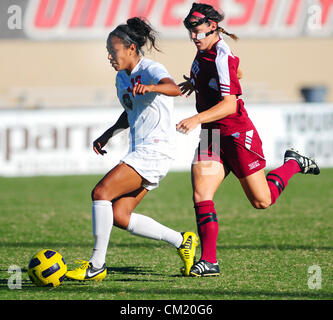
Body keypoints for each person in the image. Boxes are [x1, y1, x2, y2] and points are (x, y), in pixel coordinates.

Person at [176, 3, 320, 277]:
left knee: (261, 201)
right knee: (201, 193)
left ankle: (293, 163)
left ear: (213, 27)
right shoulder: (204, 52)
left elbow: (230, 105)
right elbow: (235, 75)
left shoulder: (221, 55)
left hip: (236, 134)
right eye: (191, 32)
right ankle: (210, 261)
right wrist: (196, 84)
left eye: (199, 32)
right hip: (213, 135)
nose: (195, 37)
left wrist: (196, 118)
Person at [66, 17, 198, 281]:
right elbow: (129, 112)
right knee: (119, 215)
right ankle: (182, 241)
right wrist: (108, 134)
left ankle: (96, 265)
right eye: (107, 52)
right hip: (142, 150)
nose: (109, 57)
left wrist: (151, 86)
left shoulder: (150, 68)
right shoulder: (120, 79)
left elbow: (173, 88)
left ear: (131, 49)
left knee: (101, 192)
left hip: (155, 149)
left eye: (112, 51)